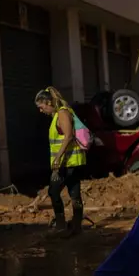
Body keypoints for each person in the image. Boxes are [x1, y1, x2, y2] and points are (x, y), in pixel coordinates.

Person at [35, 87, 87, 237]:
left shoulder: (62, 113)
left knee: (54, 192)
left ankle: (61, 225)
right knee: (74, 193)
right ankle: (76, 227)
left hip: (67, 163)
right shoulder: (59, 114)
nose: (41, 110)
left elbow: (68, 136)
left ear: (48, 102)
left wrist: (57, 158)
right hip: (71, 162)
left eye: (41, 107)